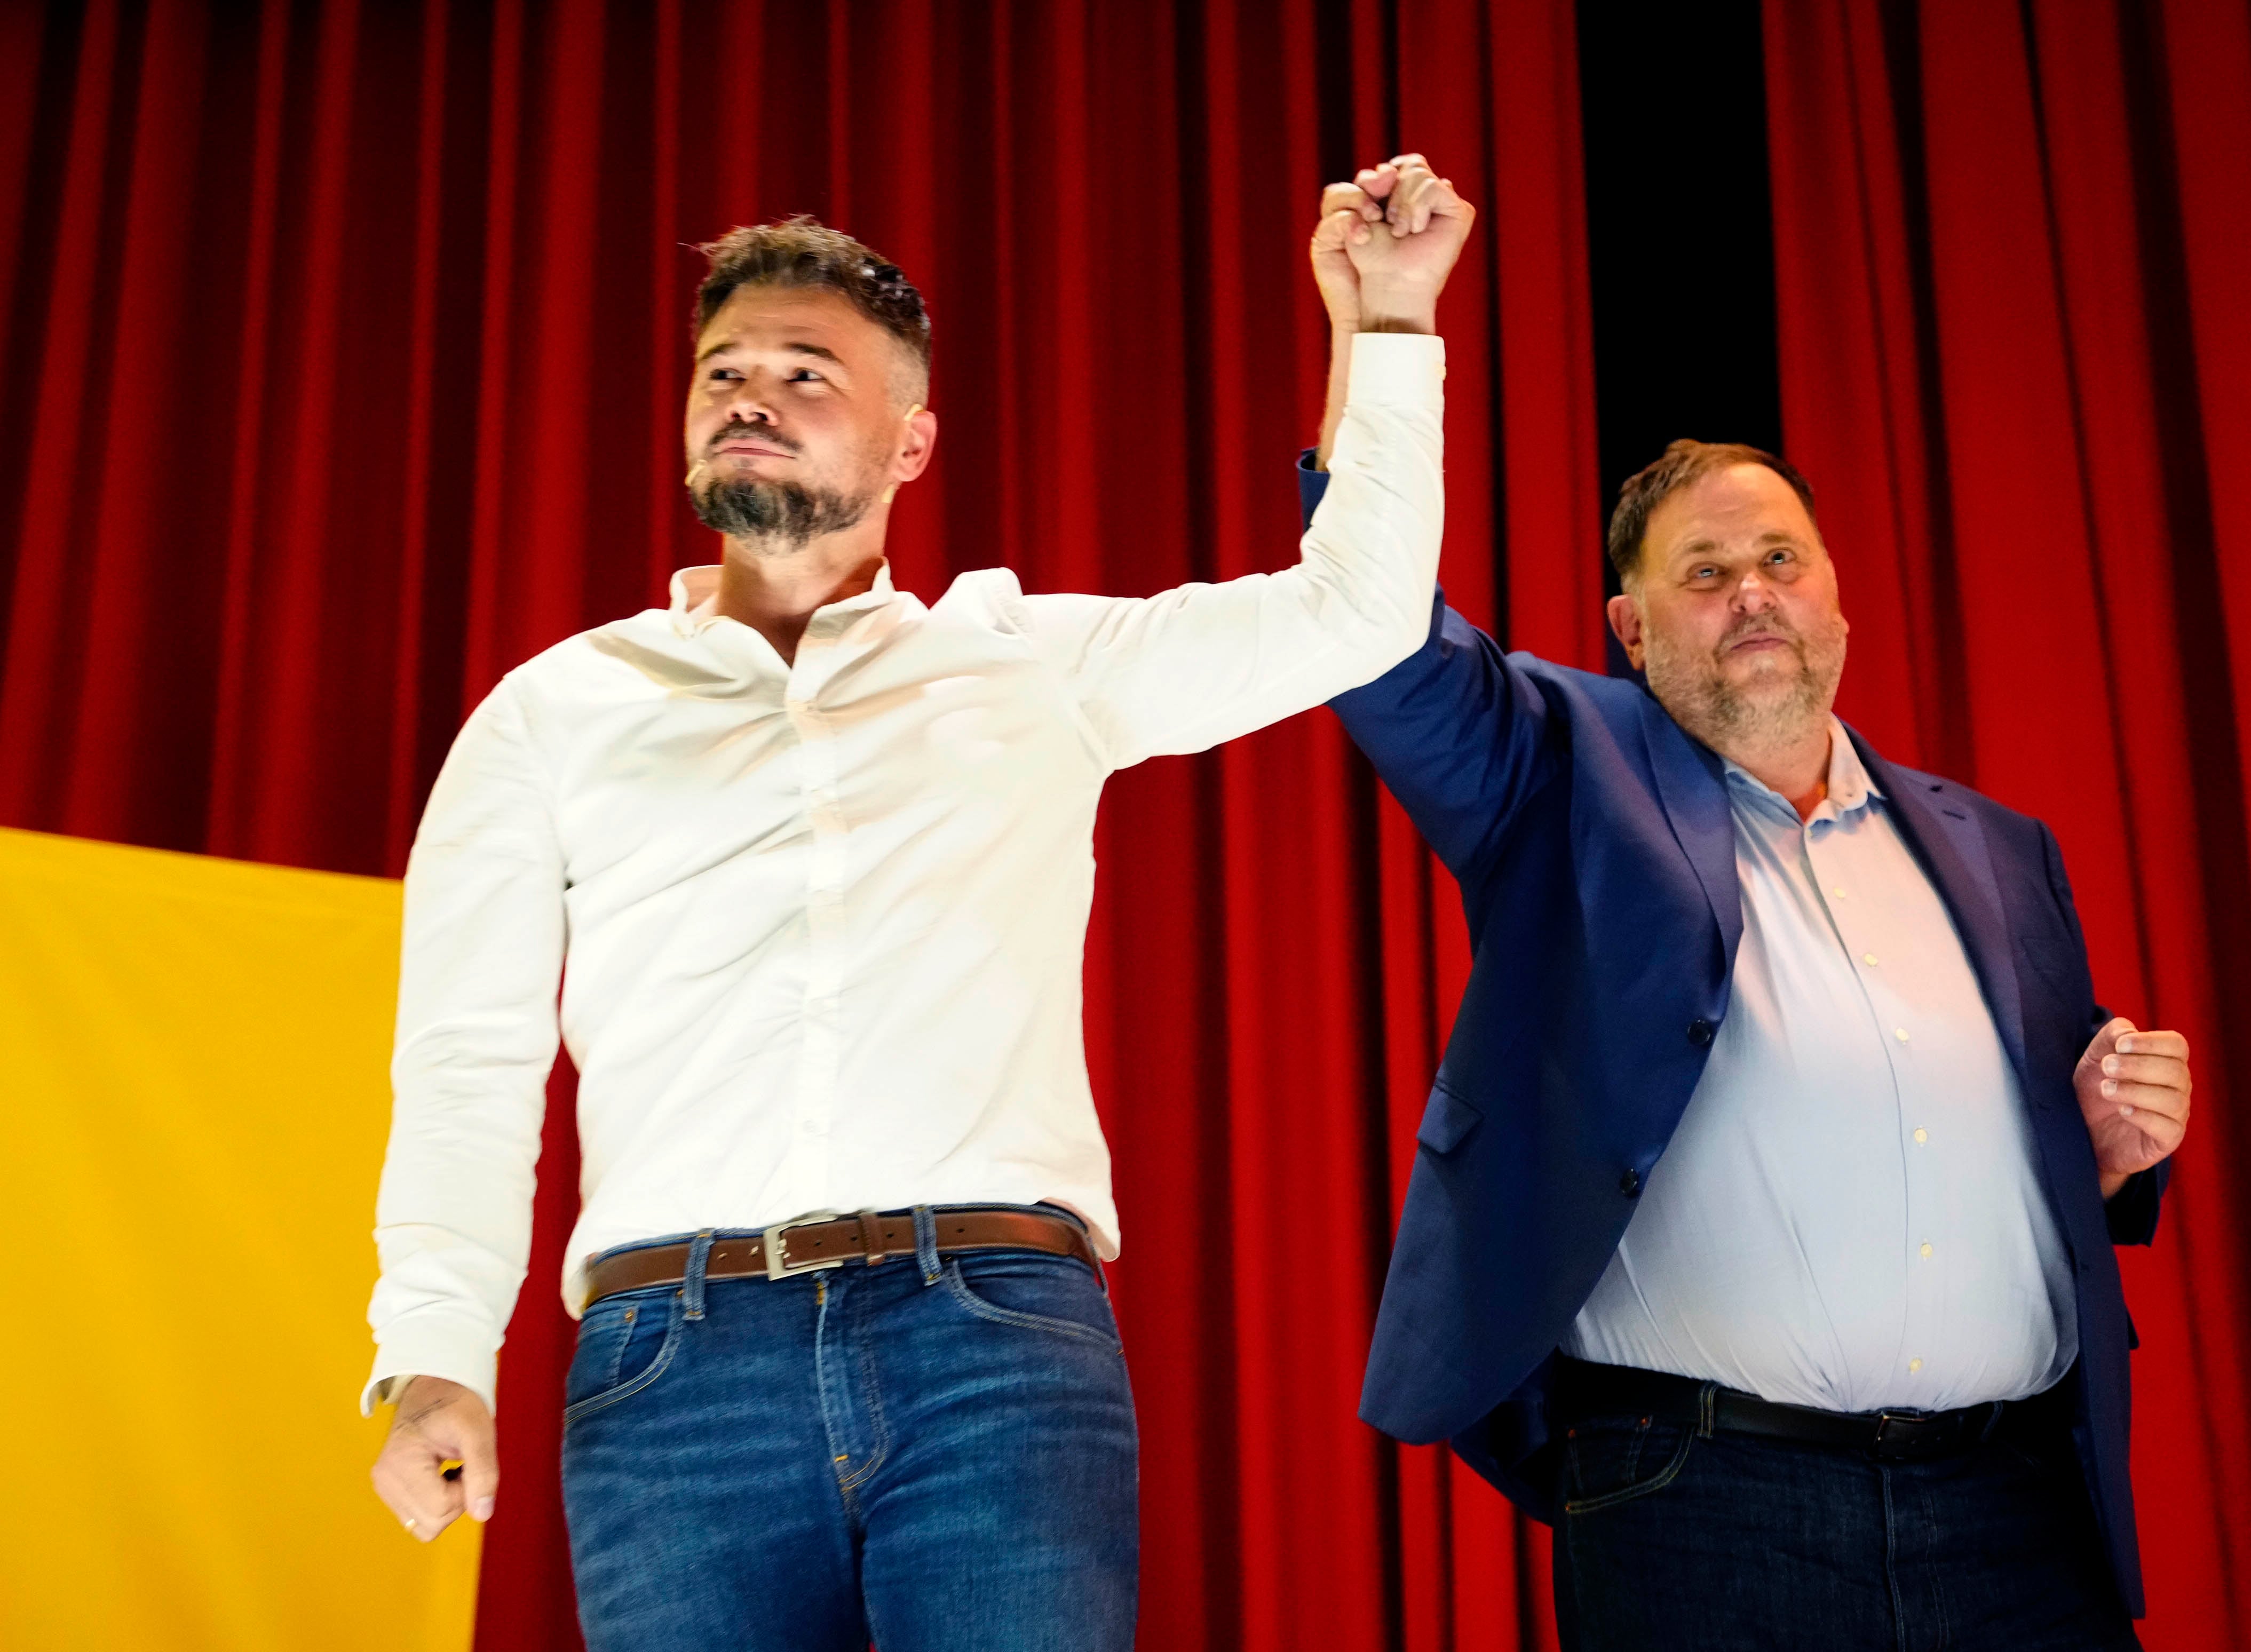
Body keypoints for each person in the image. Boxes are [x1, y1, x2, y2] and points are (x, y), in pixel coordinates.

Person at [366, 162, 1471, 1652]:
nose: (748, 396)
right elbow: (466, 1054)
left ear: (912, 438)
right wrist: (435, 1351)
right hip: (669, 1364)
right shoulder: (551, 710)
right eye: (724, 371)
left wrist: (1388, 322)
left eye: (805, 373)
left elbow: (1357, 612)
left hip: (995, 1343)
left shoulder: (1027, 662)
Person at [1296, 234, 2192, 1645]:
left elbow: (2038, 1156)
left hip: (2018, 1506)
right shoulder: (1566, 774)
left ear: (1837, 591)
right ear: (1631, 632)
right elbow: (1375, 639)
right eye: (1704, 574)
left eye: (1780, 559)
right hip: (1704, 1504)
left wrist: (2110, 1149)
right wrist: (1388, 326)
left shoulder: (2005, 851)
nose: (1754, 593)